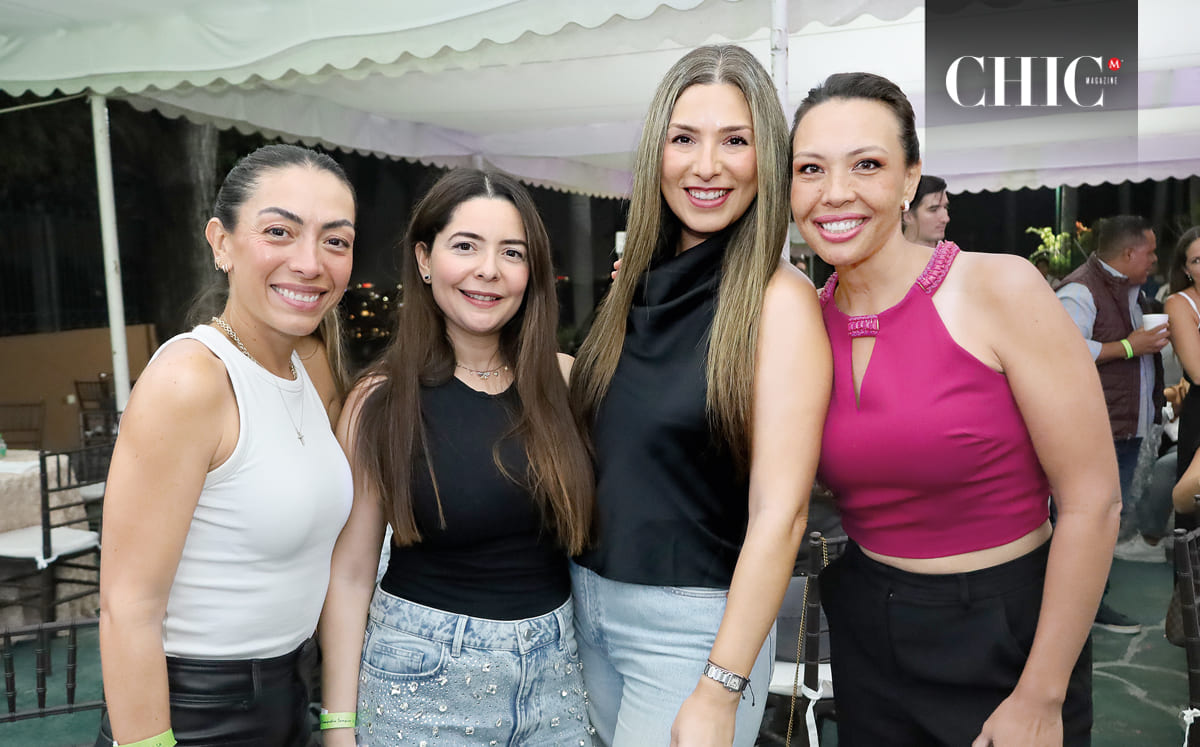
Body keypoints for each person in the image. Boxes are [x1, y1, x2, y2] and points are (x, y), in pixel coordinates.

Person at [791, 72, 1115, 746]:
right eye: (810, 169)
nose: (834, 193)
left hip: (1005, 632)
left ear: (911, 178)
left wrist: (1041, 691)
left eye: (867, 164)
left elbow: (1093, 499)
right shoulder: (800, 323)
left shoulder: (999, 286)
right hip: (868, 627)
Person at [568, 44, 830, 746]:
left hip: (691, 637)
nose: (706, 165)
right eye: (684, 139)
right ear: (658, 151)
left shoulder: (781, 303)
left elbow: (783, 512)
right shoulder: (636, 284)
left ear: (765, 157)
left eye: (735, 141)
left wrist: (721, 686)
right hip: (584, 606)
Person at [318, 168, 596, 745]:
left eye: (511, 252)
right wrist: (339, 726)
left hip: (558, 682)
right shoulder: (380, 399)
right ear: (425, 258)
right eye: (465, 246)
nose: (488, 270)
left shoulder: (566, 383)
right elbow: (349, 575)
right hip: (421, 682)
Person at [96, 144, 356, 746]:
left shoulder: (312, 367)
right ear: (221, 242)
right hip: (195, 715)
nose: (310, 262)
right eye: (278, 232)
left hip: (293, 696)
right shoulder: (191, 379)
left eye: (335, 241)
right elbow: (127, 608)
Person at [1057, 215, 1167, 631]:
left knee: (1104, 520)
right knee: (1089, 521)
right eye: (1151, 251)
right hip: (1092, 429)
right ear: (1128, 253)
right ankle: (1084, 608)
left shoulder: (1129, 292)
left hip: (1119, 427)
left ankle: (1089, 603)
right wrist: (1128, 345)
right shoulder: (1080, 291)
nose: (1156, 259)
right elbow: (1064, 350)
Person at [900, 174, 949, 247]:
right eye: (933, 209)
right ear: (907, 215)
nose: (945, 219)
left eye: (945, 207)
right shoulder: (885, 256)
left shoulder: (956, 257)